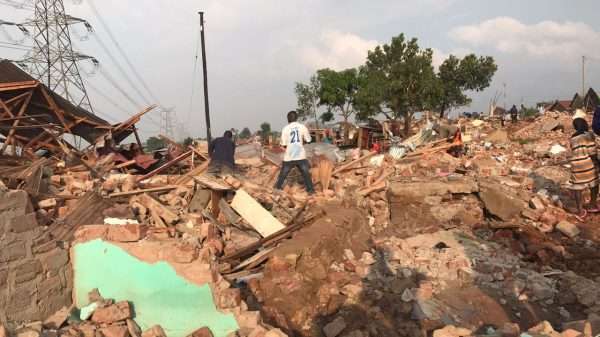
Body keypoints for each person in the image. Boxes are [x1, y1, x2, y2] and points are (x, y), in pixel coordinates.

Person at [274, 110, 315, 194]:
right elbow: (309, 140)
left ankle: (277, 188)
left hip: (289, 156)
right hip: (300, 155)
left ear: (288, 119)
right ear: (296, 118)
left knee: (283, 174)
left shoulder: (285, 129)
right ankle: (311, 191)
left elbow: (284, 144)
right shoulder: (302, 127)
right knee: (306, 173)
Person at [568, 117, 599, 219]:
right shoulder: (588, 135)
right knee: (594, 184)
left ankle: (580, 211)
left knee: (577, 188)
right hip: (588, 164)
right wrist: (598, 162)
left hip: (576, 165)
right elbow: (592, 152)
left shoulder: (572, 138)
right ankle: (592, 205)